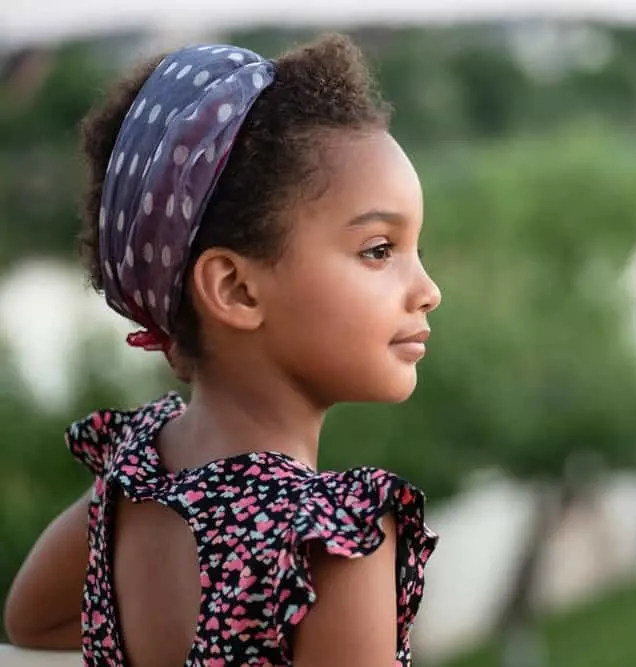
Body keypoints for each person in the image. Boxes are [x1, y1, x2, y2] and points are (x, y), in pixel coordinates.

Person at [3, 33, 441, 666]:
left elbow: (33, 622)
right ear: (234, 289)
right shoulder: (328, 544)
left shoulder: (133, 478)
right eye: (379, 251)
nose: (427, 291)